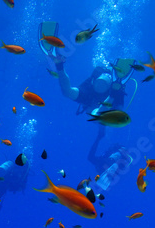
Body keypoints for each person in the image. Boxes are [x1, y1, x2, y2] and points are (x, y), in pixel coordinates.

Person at [39, 21, 136, 189]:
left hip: (104, 102)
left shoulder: (110, 93)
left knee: (75, 97)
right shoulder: (94, 93)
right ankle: (59, 64)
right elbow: (69, 92)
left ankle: (59, 64)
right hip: (99, 101)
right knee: (86, 105)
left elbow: (69, 92)